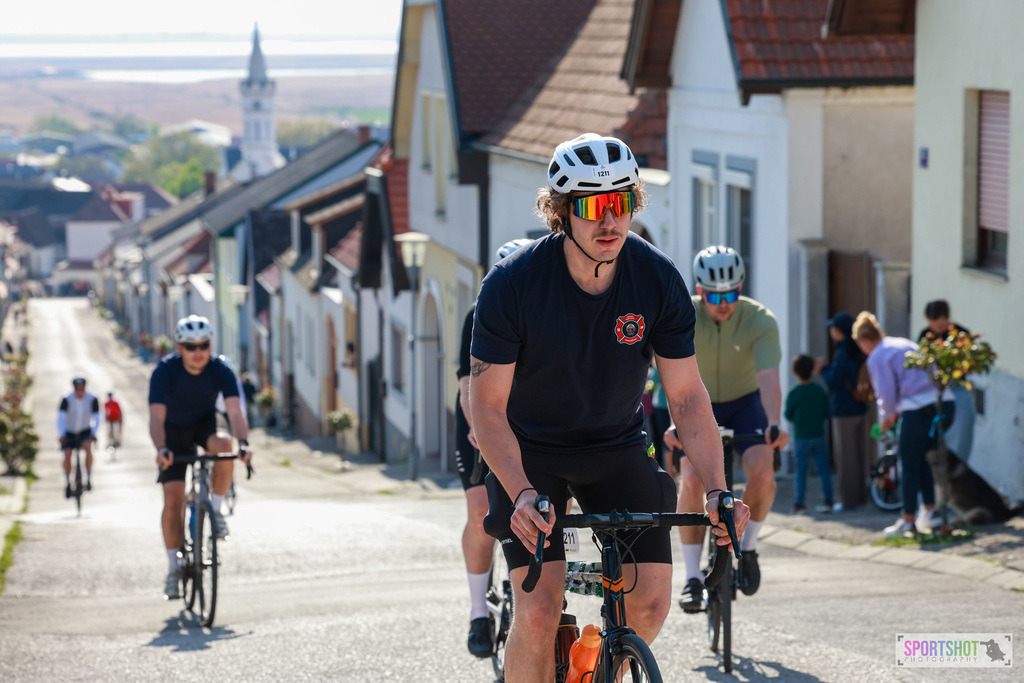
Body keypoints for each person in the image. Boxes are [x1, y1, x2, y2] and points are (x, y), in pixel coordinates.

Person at [470, 133, 749, 683]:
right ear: (561, 212)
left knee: (651, 603)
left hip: (616, 446)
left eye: (622, 203)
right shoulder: (511, 286)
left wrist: (717, 488)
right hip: (531, 455)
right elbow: (487, 407)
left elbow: (689, 398)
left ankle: (594, 668)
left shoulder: (657, 279)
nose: (610, 221)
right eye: (595, 207)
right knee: (540, 610)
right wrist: (523, 494)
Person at [665, 245, 788, 612]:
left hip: (746, 402)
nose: (723, 302)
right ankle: (690, 577)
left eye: (731, 293)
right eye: (714, 295)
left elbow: (768, 378)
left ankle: (747, 549)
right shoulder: (682, 312)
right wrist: (674, 420)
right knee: (690, 479)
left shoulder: (760, 320)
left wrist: (775, 422)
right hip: (696, 403)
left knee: (763, 471)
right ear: (700, 291)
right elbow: (668, 371)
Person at [457, 238, 531, 658]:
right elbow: (468, 384)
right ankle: (477, 613)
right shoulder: (479, 311)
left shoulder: (545, 305)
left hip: (525, 416)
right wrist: (477, 429)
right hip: (478, 415)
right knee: (480, 509)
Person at [149, 315, 252, 599]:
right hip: (173, 434)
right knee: (173, 499)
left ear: (210, 345)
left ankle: (215, 510)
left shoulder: (221, 369)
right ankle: (173, 569)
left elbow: (234, 411)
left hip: (203, 425)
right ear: (180, 348)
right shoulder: (165, 371)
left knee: (224, 444)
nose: (198, 353)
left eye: (203, 346)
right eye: (190, 347)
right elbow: (156, 418)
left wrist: (242, 442)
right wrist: (161, 449)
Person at [852, 311, 954, 537]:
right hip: (945, 403)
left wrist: (886, 420)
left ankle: (908, 522)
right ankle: (932, 513)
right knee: (920, 458)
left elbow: (886, 396)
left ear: (864, 341)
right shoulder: (902, 343)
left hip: (918, 410)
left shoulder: (877, 356)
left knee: (906, 463)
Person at [814, 312, 870, 511]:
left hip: (844, 411)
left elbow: (835, 382)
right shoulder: (857, 349)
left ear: (837, 331)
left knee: (846, 458)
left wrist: (822, 369)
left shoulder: (842, 352)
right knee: (859, 456)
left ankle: (848, 502)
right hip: (860, 408)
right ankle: (861, 497)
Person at [918, 299, 974, 462]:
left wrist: (958, 370)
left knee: (960, 433)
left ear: (948, 318)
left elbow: (970, 368)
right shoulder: (925, 336)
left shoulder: (962, 334)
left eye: (941, 327)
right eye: (933, 326)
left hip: (957, 389)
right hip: (932, 391)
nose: (937, 331)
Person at [785, 355, 832, 513]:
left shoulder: (794, 392)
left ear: (795, 372)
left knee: (801, 471)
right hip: (818, 434)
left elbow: (788, 414)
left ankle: (799, 503)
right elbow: (826, 411)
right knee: (824, 470)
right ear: (812, 370)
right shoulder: (819, 390)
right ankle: (828, 500)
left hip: (801, 436)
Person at [58, 377, 100, 496]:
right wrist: (62, 434)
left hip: (85, 431)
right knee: (67, 454)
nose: (79, 391)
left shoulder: (92, 399)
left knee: (88, 448)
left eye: (82, 388)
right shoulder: (67, 399)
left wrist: (94, 432)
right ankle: (67, 483)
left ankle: (88, 477)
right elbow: (60, 418)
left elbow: (97, 418)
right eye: (77, 389)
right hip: (69, 431)